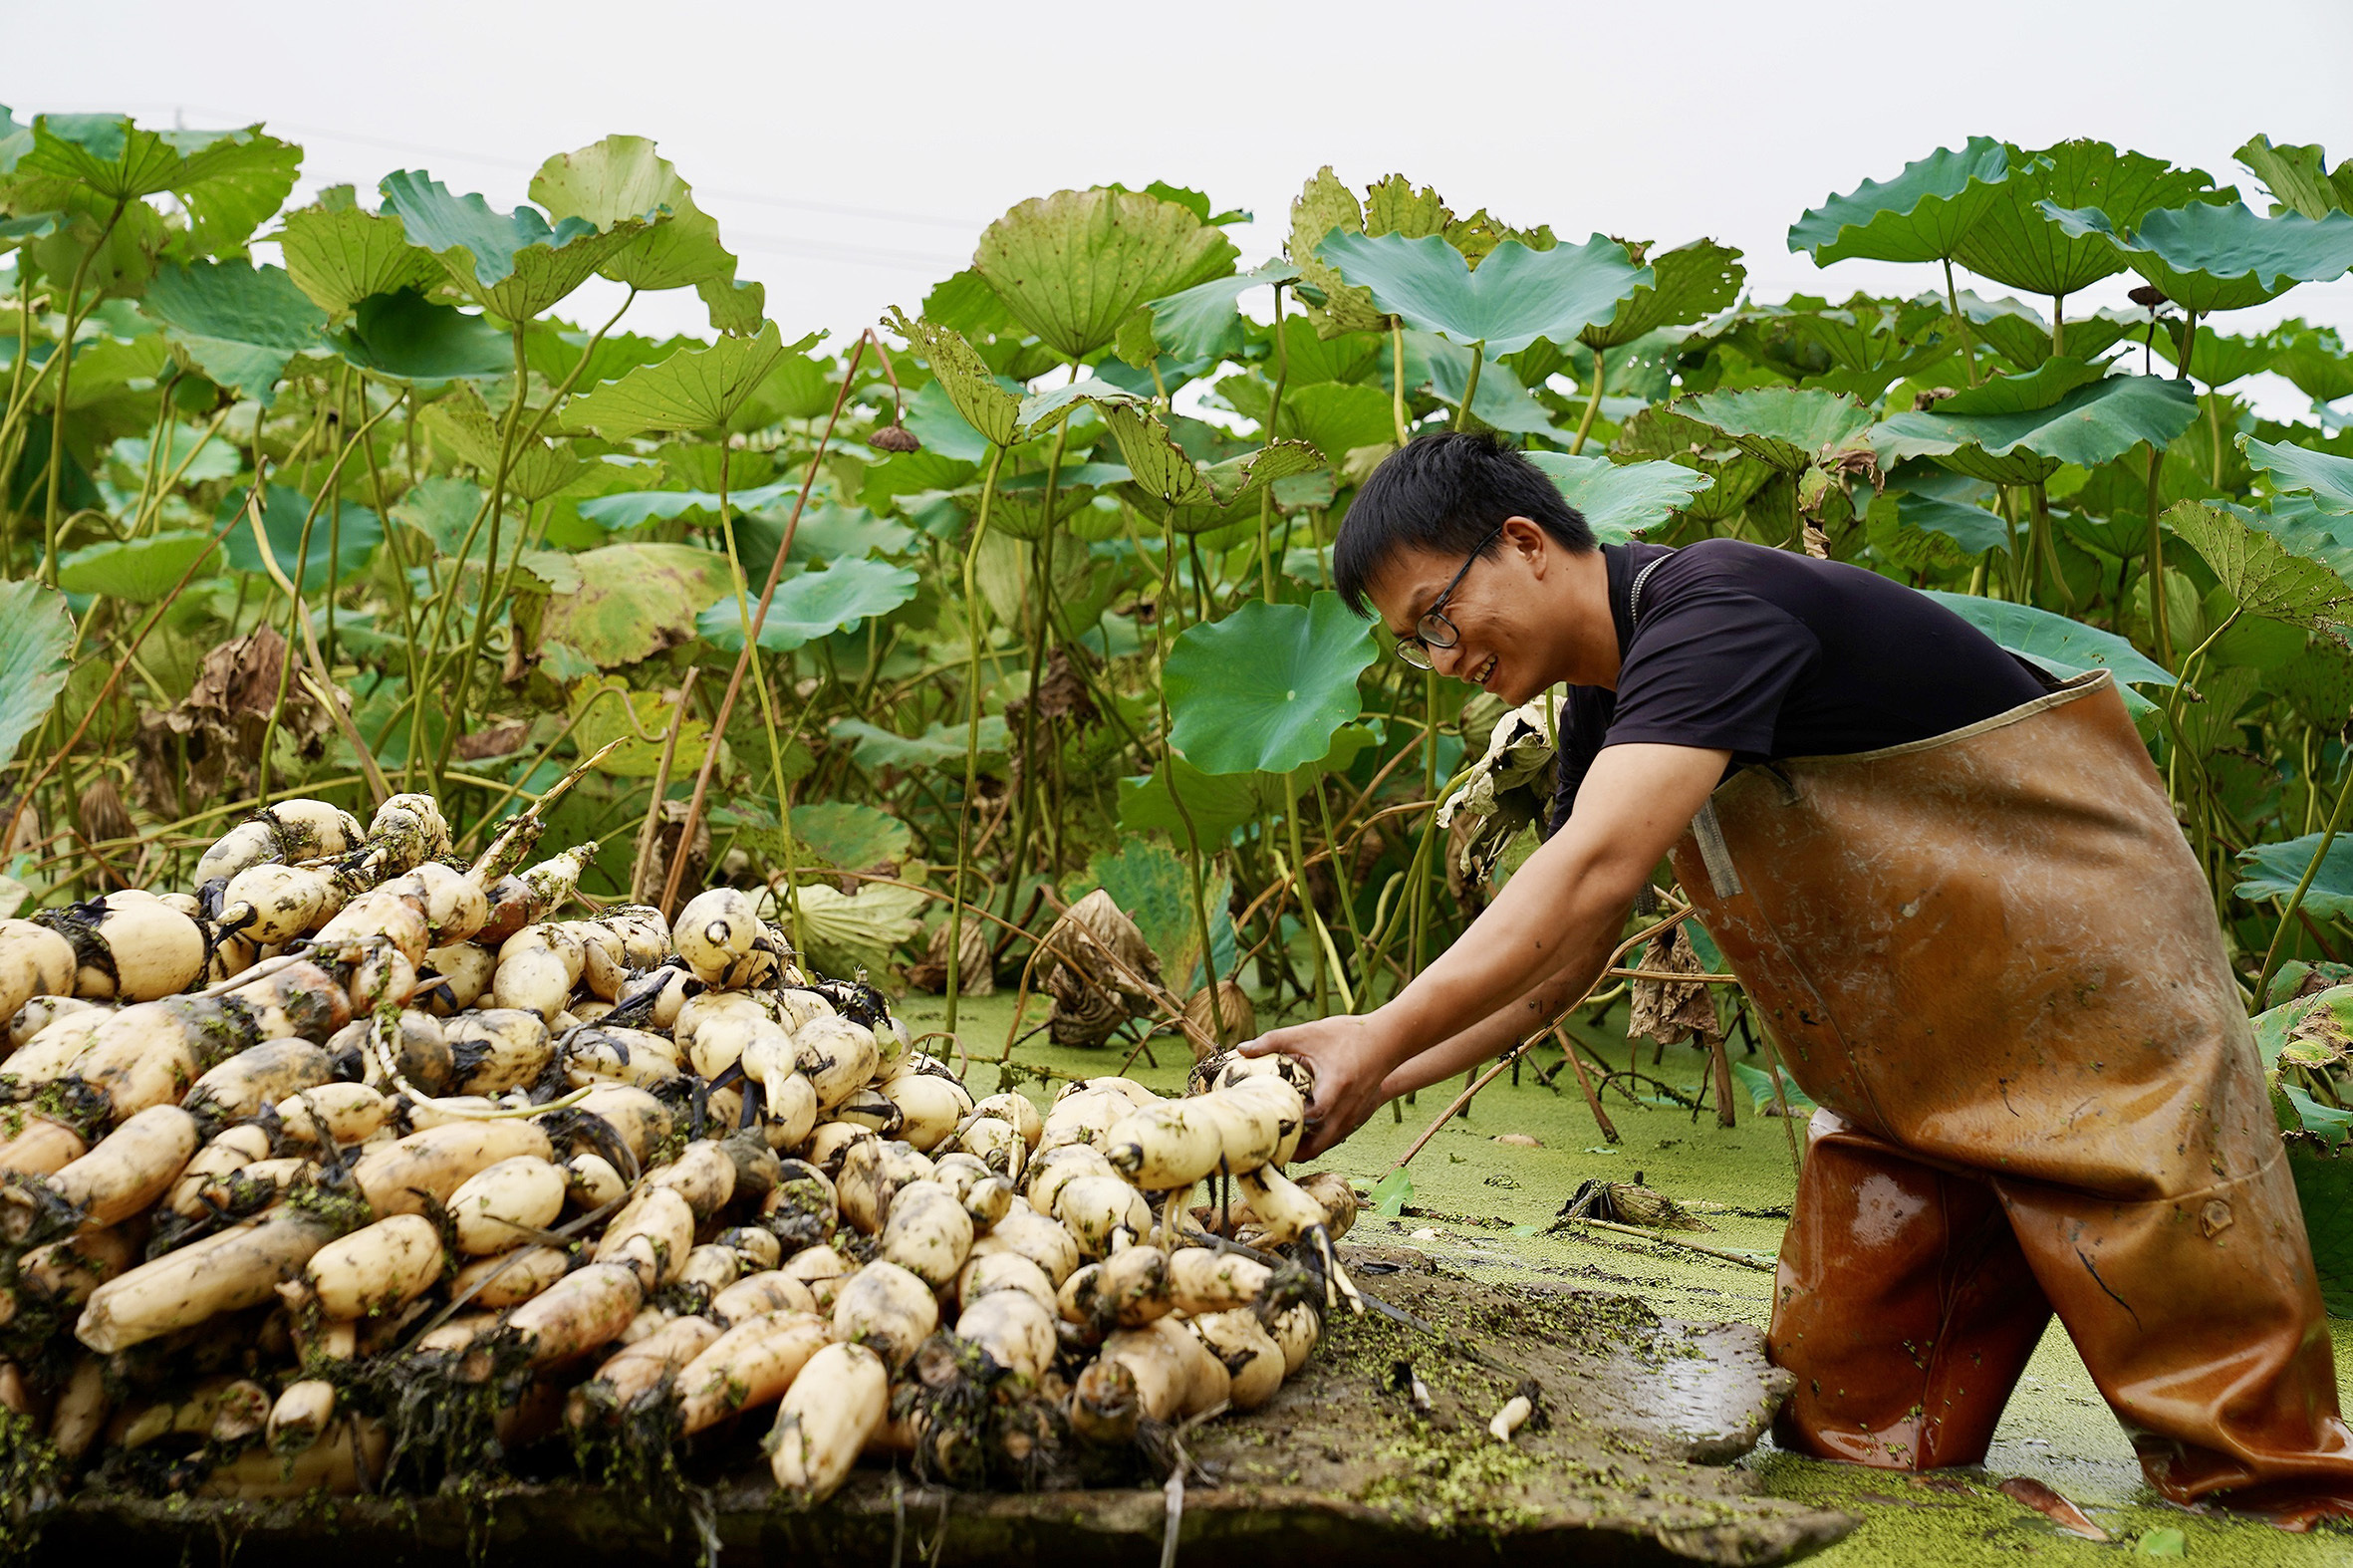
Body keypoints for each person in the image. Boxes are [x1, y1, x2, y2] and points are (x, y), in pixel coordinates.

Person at [1241, 431, 2353, 1519]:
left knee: (2257, 1468)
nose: (1443, 661)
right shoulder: (1603, 702)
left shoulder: (1715, 607)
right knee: (1844, 1422)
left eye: (1438, 614)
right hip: (1911, 1082)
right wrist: (1376, 1074)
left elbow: (1591, 870)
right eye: (1412, 643)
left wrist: (1377, 1029)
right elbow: (1564, 961)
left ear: (1524, 540)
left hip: (2098, 1021)